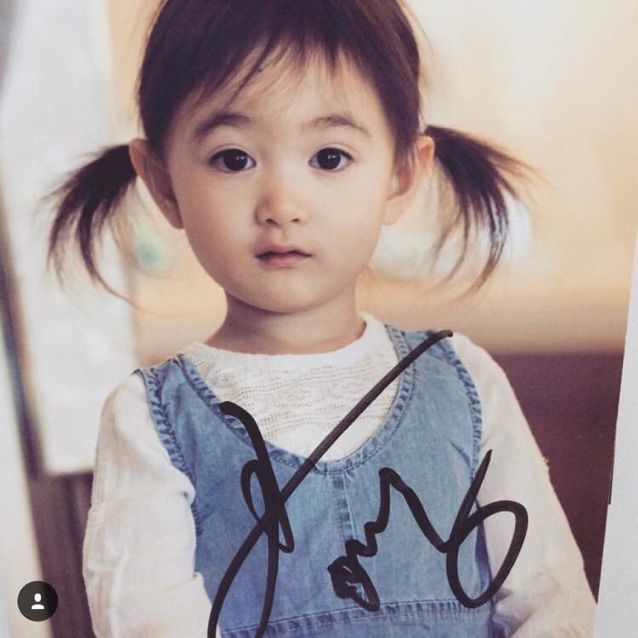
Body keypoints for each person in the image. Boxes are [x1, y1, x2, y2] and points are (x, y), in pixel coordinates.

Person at [47, 0, 596, 636]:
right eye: (234, 158)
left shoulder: (466, 382)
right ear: (164, 184)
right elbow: (150, 621)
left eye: (329, 157)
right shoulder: (151, 420)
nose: (282, 204)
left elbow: (553, 605)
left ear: (401, 175)